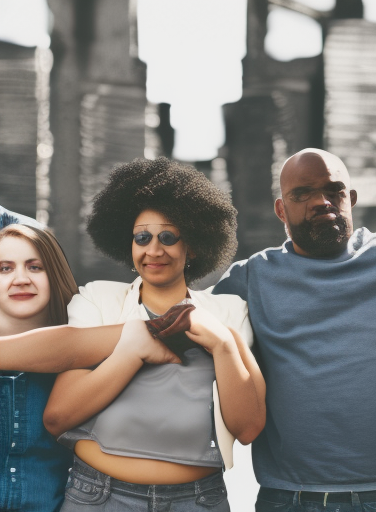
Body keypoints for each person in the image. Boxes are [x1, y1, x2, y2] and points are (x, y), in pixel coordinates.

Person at [213, 148, 376, 512]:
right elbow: (179, 321)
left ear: (352, 198)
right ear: (281, 209)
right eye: (302, 194)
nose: (321, 202)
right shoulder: (251, 277)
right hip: (286, 498)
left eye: (334, 191)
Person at [42, 157, 266, 511]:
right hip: (99, 498)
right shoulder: (98, 299)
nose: (154, 250)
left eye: (168, 237)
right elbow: (58, 417)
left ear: (190, 246)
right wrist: (131, 352)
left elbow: (248, 427)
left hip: (197, 501)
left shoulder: (228, 313)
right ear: (129, 246)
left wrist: (223, 345)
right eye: (142, 237)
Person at [0, 224, 77, 512]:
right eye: (4, 269)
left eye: (35, 267)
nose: (20, 279)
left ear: (54, 273)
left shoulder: (83, 356)